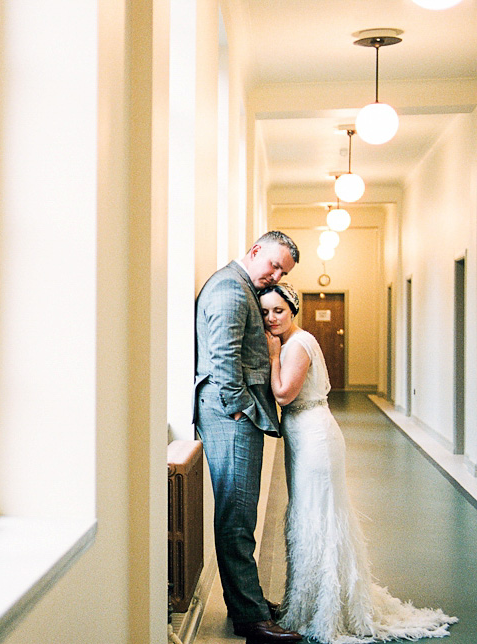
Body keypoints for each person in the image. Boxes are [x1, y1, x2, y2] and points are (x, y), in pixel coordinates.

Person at [261, 282, 458, 644]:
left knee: (318, 516)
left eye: (278, 311)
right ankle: (303, 602)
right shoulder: (292, 341)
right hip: (304, 434)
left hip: (315, 436)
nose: (271, 318)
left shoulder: (298, 344)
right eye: (265, 312)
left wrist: (273, 356)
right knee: (306, 515)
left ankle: (326, 606)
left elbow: (284, 393)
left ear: (293, 310)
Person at [194, 231, 303, 643]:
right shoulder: (229, 288)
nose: (275, 275)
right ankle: (249, 619)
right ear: (255, 251)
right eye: (273, 264)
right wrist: (239, 407)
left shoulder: (241, 285)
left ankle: (251, 604)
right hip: (230, 415)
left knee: (242, 513)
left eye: (283, 272)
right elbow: (223, 357)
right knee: (237, 517)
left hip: (237, 413)